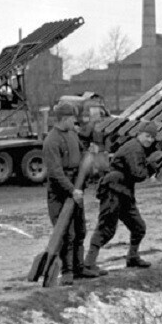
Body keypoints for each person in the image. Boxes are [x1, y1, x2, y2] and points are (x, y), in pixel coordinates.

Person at [84, 121, 158, 274]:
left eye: (152, 137)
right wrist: (151, 167)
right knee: (106, 228)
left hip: (124, 191)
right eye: (147, 136)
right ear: (139, 134)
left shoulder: (138, 148)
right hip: (113, 190)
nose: (149, 140)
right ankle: (88, 264)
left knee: (138, 226)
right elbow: (138, 174)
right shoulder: (134, 149)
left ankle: (132, 257)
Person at [43, 103, 99, 286]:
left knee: (80, 230)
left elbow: (81, 156)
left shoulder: (72, 134)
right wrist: (72, 190)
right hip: (60, 192)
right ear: (64, 119)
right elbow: (55, 172)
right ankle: (67, 272)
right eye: (71, 118)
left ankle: (79, 267)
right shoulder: (51, 141)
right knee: (66, 233)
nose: (74, 121)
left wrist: (90, 155)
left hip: (76, 186)